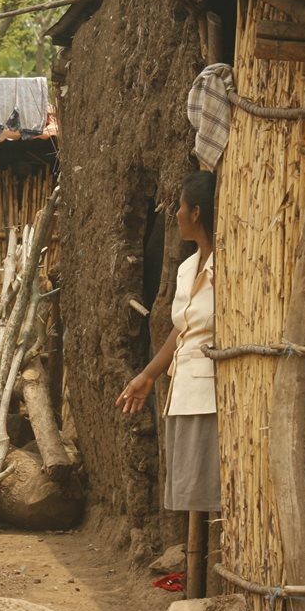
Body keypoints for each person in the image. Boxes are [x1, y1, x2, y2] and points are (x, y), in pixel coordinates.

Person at [116, 170, 219, 513]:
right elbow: (180, 330)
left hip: (211, 395)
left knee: (214, 495)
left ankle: (206, 564)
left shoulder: (229, 267)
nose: (174, 215)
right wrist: (148, 376)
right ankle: (191, 564)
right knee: (192, 495)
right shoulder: (188, 268)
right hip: (183, 391)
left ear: (196, 213)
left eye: (179, 206)